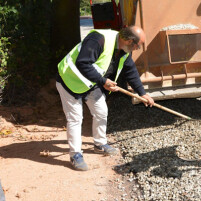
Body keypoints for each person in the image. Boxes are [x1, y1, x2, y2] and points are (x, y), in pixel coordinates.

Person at [56, 26, 154, 171]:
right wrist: (104, 82)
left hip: (91, 83)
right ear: (128, 40)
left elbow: (130, 70)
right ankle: (75, 155)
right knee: (75, 118)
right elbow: (82, 63)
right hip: (70, 80)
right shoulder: (98, 39)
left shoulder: (124, 51)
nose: (137, 49)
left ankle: (99, 144)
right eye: (137, 46)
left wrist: (142, 93)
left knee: (101, 111)